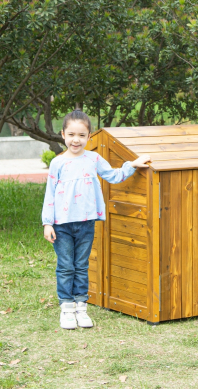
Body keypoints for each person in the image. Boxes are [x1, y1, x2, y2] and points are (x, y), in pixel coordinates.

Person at [42, 110, 151, 330]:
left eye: (81, 135)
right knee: (65, 267)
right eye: (71, 134)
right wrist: (47, 223)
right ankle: (67, 309)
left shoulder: (94, 159)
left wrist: (133, 164)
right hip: (61, 225)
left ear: (89, 137)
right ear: (63, 135)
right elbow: (50, 194)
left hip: (86, 223)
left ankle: (81, 308)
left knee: (81, 266)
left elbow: (113, 176)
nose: (76, 139)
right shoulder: (58, 163)